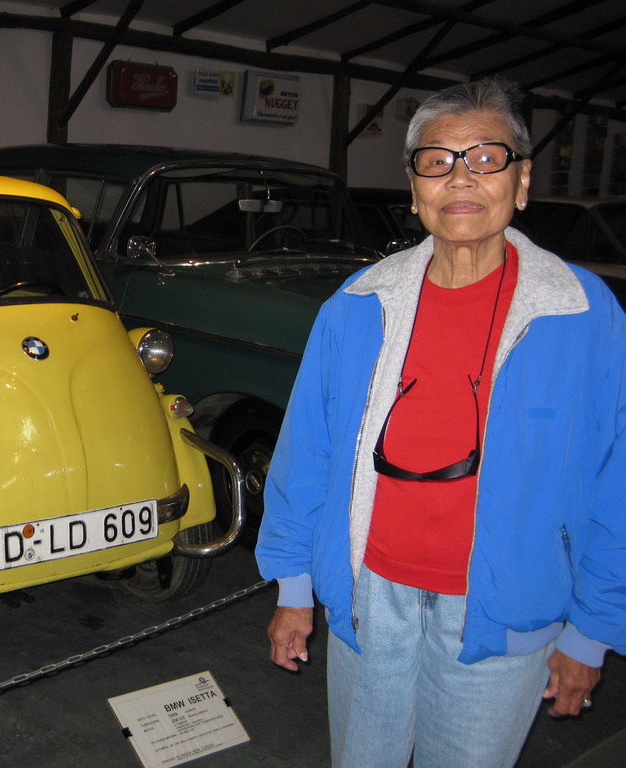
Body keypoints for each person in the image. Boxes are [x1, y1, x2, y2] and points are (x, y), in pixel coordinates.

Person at [255, 77, 626, 768]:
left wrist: (592, 629)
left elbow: (618, 479)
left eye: (486, 158)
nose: (461, 178)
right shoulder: (359, 303)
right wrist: (295, 587)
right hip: (369, 600)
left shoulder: (581, 312)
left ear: (521, 181)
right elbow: (307, 452)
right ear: (414, 186)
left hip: (504, 613)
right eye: (437, 161)